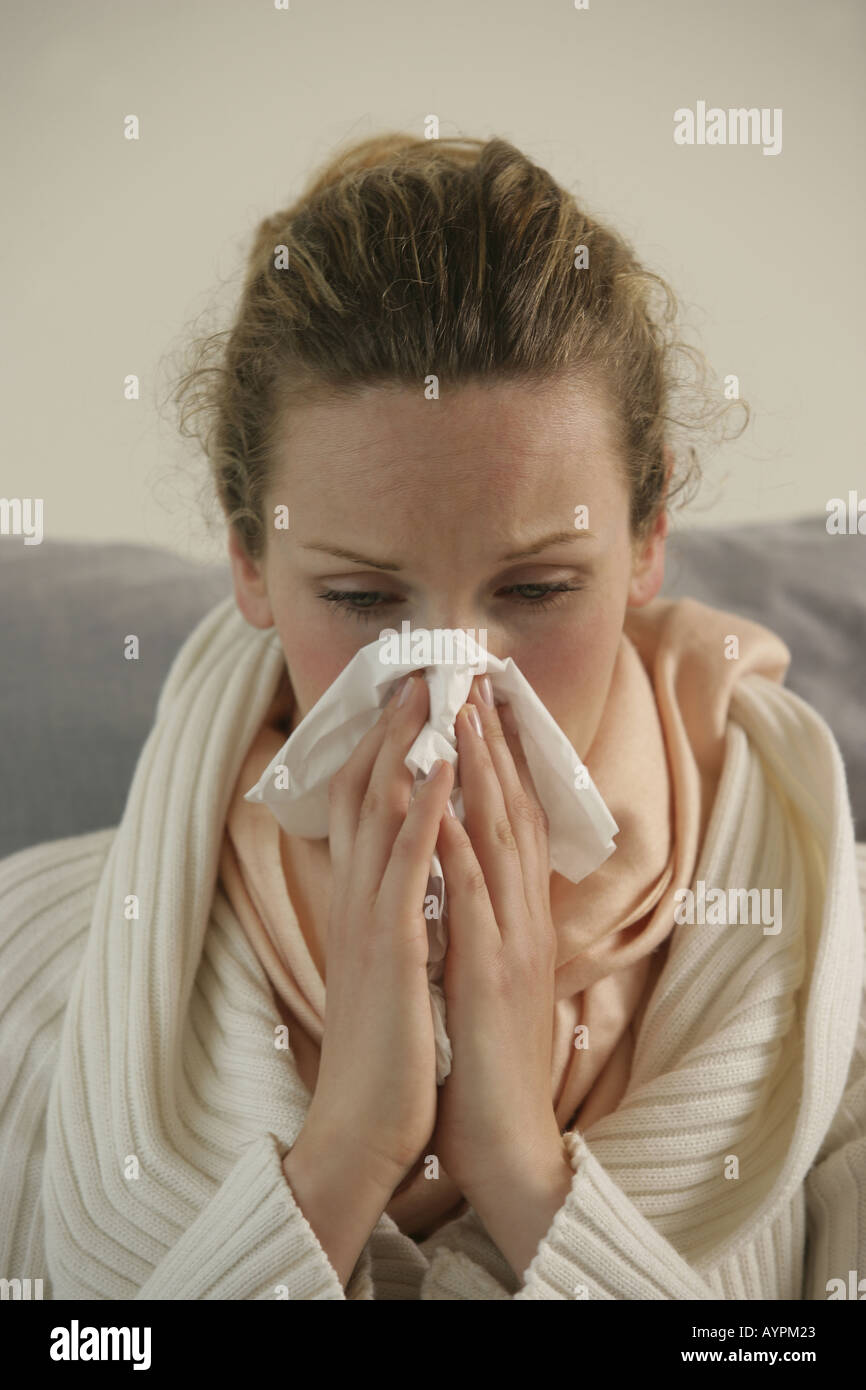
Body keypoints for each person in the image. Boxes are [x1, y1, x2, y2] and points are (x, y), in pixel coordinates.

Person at [1, 133, 863, 1301]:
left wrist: (521, 1170)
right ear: (249, 555)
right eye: (361, 599)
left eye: (536, 590)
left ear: (648, 534)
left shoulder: (838, 985)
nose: (449, 688)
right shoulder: (30, 963)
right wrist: (340, 1159)